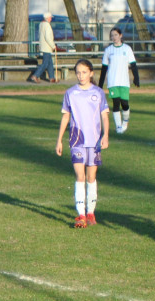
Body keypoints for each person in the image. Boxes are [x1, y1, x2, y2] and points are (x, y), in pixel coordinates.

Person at [56, 59, 109, 229]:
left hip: (94, 141)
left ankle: (90, 212)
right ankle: (81, 215)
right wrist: (59, 140)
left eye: (84, 72)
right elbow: (66, 116)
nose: (81, 75)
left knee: (91, 177)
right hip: (76, 140)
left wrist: (106, 135)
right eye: (78, 72)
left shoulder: (98, 93)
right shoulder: (70, 93)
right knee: (80, 176)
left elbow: (104, 116)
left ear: (91, 73)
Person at [98, 28, 139, 134]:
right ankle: (118, 127)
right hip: (112, 82)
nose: (114, 37)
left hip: (124, 81)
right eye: (112, 35)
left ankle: (125, 121)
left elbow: (133, 64)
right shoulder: (108, 50)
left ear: (120, 35)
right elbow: (104, 68)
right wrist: (100, 84)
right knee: (116, 103)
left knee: (124, 104)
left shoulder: (127, 49)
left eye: (116, 35)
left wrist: (136, 78)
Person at [28, 13, 57, 84]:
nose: (51, 19)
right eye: (50, 17)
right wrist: (53, 45)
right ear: (47, 18)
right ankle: (35, 75)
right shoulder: (47, 25)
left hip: (43, 46)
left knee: (50, 63)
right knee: (45, 63)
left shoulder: (41, 24)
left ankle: (52, 78)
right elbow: (48, 37)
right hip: (47, 47)